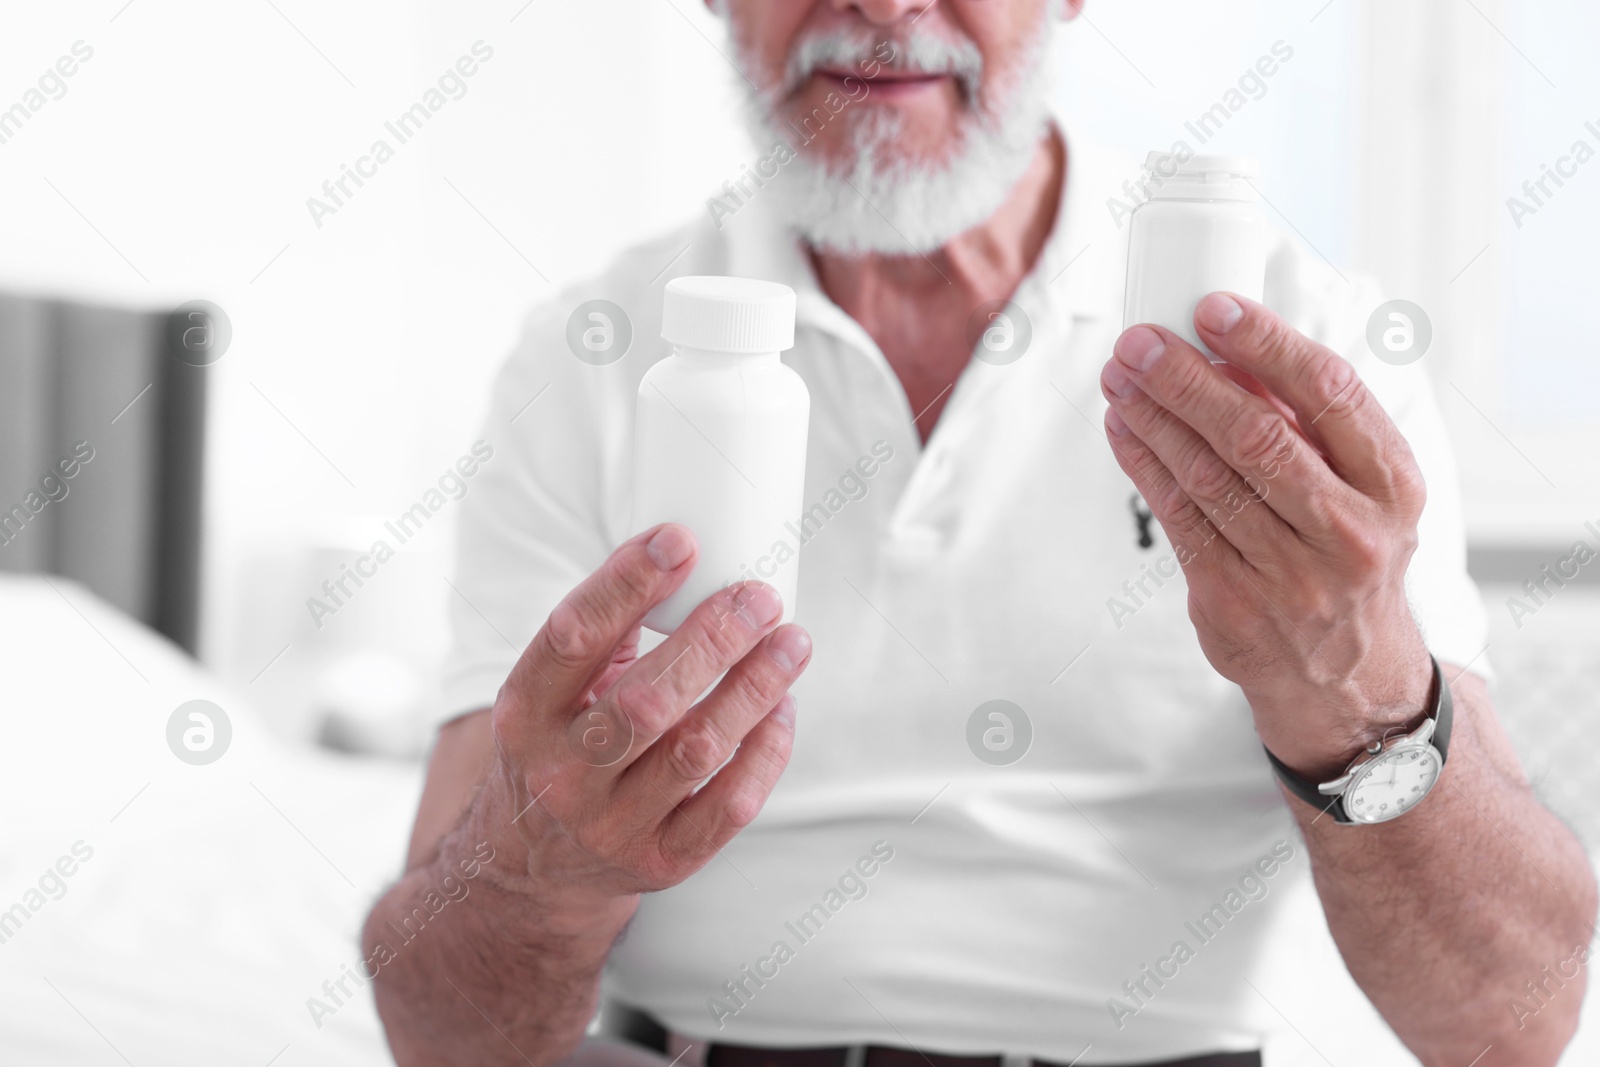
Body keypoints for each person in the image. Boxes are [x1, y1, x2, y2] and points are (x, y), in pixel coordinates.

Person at [364, 2, 1597, 1065]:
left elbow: (1508, 1023)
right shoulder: (589, 358)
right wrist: (541, 871)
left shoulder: (1307, 346)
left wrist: (1362, 687)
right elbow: (439, 1030)